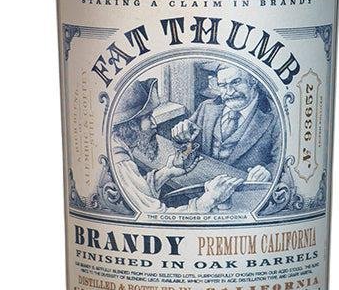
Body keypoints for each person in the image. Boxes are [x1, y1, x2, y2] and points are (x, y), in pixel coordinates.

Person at [109, 77, 242, 213]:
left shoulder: (115, 146)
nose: (154, 124)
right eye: (148, 117)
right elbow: (157, 217)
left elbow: (137, 189)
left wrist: (168, 172)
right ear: (132, 125)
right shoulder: (120, 162)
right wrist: (210, 199)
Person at [170, 65, 276, 182]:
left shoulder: (274, 118)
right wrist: (182, 135)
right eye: (223, 85)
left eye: (236, 82)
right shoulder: (206, 107)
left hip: (243, 188)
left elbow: (283, 163)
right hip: (204, 182)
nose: (229, 92)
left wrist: (268, 172)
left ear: (253, 81)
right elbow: (188, 146)